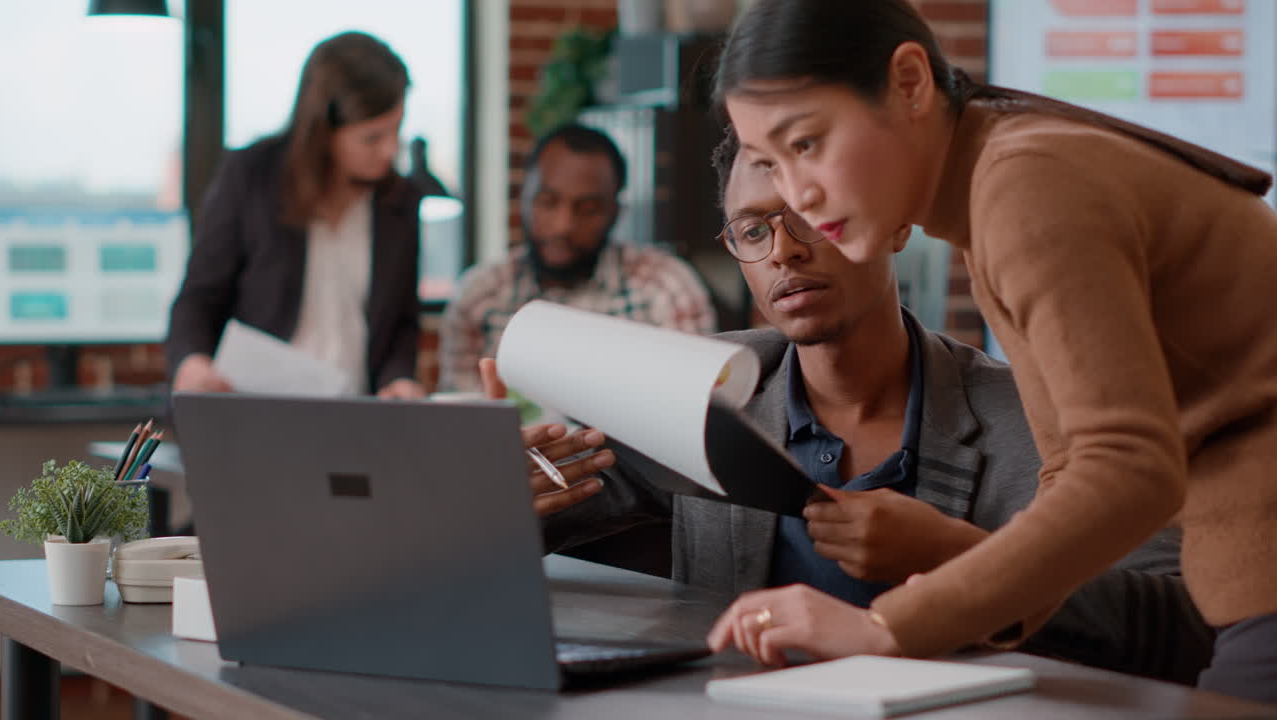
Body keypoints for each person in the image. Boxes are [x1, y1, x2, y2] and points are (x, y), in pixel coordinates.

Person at [478, 129, 1214, 683]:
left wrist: (956, 557)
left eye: (807, 215)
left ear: (895, 224)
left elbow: (1182, 625)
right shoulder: (705, 389)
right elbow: (532, 517)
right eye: (753, 230)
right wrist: (496, 495)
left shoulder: (1027, 417)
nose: (783, 253)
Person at [709, 0, 1277, 701]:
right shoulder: (997, 188)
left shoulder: (1023, 187)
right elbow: (1074, 467)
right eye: (769, 163)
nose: (799, 193)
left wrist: (887, 627)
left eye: (806, 144)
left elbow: (1130, 469)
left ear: (911, 83)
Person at [166, 32, 425, 399]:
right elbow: (198, 299)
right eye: (372, 137)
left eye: (396, 130)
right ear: (324, 131)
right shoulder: (251, 175)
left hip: (359, 421)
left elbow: (401, 322)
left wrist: (398, 379)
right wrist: (192, 362)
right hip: (255, 415)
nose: (389, 151)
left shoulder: (400, 200)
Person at [438, 123, 717, 393]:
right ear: (523, 198)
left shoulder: (667, 288)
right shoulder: (478, 295)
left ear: (616, 212)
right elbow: (464, 422)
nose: (563, 226)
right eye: (548, 202)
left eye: (588, 209)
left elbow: (692, 408)